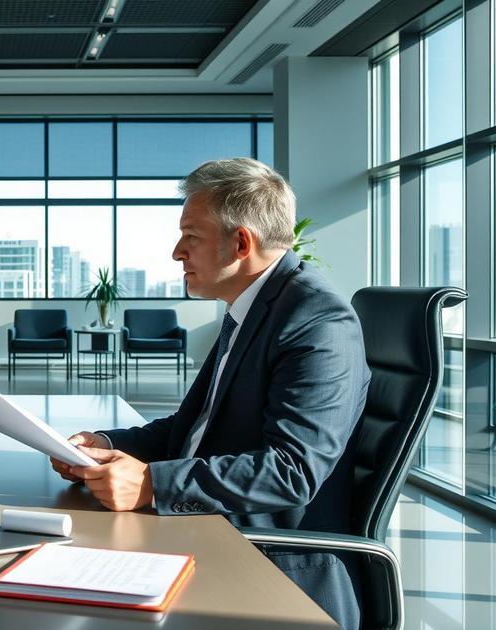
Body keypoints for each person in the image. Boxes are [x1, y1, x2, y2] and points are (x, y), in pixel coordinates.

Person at [50, 158, 369, 629]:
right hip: (213, 527)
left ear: (241, 242)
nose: (177, 252)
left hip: (263, 564)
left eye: (191, 236)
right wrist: (109, 445)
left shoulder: (316, 322)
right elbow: (193, 429)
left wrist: (152, 484)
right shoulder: (252, 308)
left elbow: (292, 471)